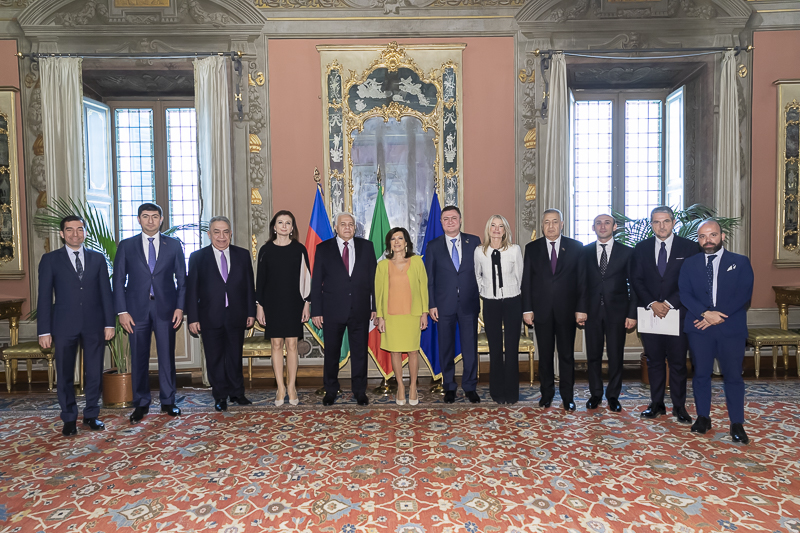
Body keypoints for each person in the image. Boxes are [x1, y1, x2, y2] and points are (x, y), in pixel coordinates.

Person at [37, 215, 115, 436]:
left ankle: (91, 414)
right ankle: (69, 418)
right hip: (63, 326)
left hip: (94, 325)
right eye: (70, 230)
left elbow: (106, 295)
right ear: (62, 234)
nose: (75, 234)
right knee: (65, 375)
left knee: (94, 373)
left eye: (80, 229)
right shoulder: (50, 260)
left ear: (85, 233)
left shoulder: (98, 259)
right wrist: (44, 330)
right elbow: (44, 298)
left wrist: (110, 323)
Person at [678, 220, 754, 443]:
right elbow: (684, 294)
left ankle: (736, 423)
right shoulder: (690, 264)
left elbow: (744, 294)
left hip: (730, 328)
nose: (707, 240)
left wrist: (716, 316)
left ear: (721, 236)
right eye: (702, 236)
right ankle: (703, 417)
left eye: (712, 235)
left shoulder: (739, 262)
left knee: (733, 376)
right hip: (699, 329)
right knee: (701, 374)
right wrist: (705, 313)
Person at [113, 203, 186, 424]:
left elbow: (182, 281)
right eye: (146, 216)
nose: (151, 221)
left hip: (166, 309)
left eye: (155, 216)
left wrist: (180, 308)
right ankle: (141, 403)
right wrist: (122, 311)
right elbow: (118, 281)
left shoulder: (173, 245)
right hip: (136, 311)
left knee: (166, 357)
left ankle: (168, 401)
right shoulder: (126, 246)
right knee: (138, 358)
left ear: (162, 219)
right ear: (138, 219)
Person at [631, 206, 699, 423]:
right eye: (656, 222)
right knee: (655, 362)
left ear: (673, 222)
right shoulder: (640, 249)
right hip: (650, 315)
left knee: (679, 363)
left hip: (678, 314)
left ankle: (679, 407)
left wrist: (669, 303)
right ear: (651, 224)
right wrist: (653, 303)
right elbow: (636, 281)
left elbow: (691, 282)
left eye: (666, 221)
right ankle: (656, 404)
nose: (661, 226)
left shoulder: (689, 248)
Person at [185, 216, 256, 411]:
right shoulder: (198, 257)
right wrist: (193, 318)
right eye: (217, 232)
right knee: (214, 357)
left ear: (231, 233)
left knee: (235, 355)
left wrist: (251, 312)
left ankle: (237, 393)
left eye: (225, 232)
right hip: (209, 316)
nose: (221, 236)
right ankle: (220, 396)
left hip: (237, 315)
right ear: (209, 234)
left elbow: (250, 286)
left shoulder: (242, 255)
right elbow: (191, 291)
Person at [521, 208, 587, 411]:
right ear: (542, 226)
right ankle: (547, 394)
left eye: (555, 222)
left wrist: (581, 309)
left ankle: (568, 396)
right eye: (547, 222)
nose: (551, 226)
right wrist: (527, 309)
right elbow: (527, 282)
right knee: (546, 356)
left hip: (567, 311)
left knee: (567, 356)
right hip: (541, 311)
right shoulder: (532, 248)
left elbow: (582, 282)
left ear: (562, 224)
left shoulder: (576, 247)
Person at [310, 212, 377, 406]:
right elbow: (316, 283)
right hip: (332, 310)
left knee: (359, 353)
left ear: (355, 228)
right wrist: (316, 311)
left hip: (360, 310)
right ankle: (330, 390)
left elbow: (374, 281)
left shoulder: (367, 247)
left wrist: (375, 307)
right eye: (343, 224)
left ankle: (359, 391)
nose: (347, 227)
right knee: (331, 353)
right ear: (336, 227)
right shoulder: (323, 249)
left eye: (350, 224)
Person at [426, 205, 481, 404]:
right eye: (446, 219)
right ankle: (448, 386)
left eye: (454, 218)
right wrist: (431, 304)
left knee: (469, 347)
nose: (450, 222)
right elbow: (430, 279)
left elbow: (481, 272)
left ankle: (469, 386)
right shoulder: (433, 246)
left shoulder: (474, 241)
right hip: (443, 306)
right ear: (441, 223)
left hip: (468, 303)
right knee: (446, 347)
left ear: (460, 220)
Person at [255, 210, 311, 407]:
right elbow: (260, 280)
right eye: (280, 222)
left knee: (292, 345)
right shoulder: (266, 250)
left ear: (292, 227)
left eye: (288, 223)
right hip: (272, 304)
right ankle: (280, 388)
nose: (284, 226)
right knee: (276, 345)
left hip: (294, 303)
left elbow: (306, 280)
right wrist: (259, 306)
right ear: (274, 227)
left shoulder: (299, 249)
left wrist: (307, 303)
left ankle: (291, 387)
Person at [583, 214, 637, 412]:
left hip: (618, 313)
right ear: (593, 227)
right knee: (593, 356)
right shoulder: (585, 252)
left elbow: (634, 285)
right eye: (598, 223)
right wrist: (580, 309)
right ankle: (595, 394)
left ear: (614, 227)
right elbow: (581, 284)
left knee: (616, 355)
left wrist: (632, 314)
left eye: (607, 223)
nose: (602, 226)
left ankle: (613, 395)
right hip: (592, 312)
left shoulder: (627, 252)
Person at [375, 227, 429, 406]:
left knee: (413, 351)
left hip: (412, 315)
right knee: (395, 352)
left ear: (406, 242)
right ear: (389, 244)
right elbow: (379, 293)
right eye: (393, 239)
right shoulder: (382, 266)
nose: (396, 242)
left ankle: (413, 386)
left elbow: (423, 289)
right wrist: (380, 317)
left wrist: (424, 313)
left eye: (400, 238)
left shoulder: (417, 262)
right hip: (391, 317)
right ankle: (400, 386)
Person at [474, 214, 524, 404]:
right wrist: (484, 290)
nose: (496, 229)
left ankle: (511, 392)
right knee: (495, 348)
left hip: (512, 302)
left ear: (505, 230)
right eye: (493, 225)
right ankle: (497, 392)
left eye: (500, 226)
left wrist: (516, 296)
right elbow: (476, 274)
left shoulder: (514, 250)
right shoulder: (480, 251)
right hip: (490, 303)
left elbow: (520, 276)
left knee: (511, 349)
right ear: (488, 229)